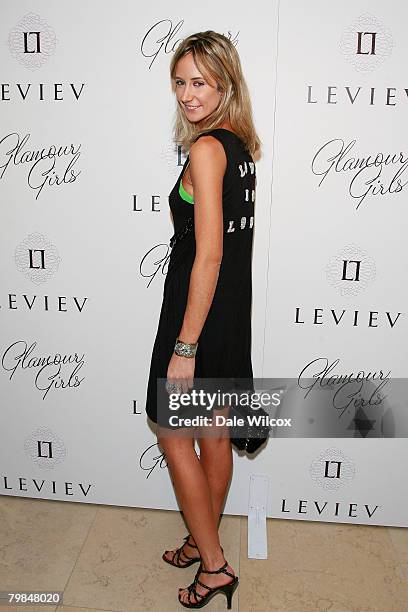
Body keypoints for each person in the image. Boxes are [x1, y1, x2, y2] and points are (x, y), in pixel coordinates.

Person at [145, 30, 261, 608]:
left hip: (198, 315)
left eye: (200, 82)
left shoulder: (206, 150)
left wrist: (185, 347)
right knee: (214, 435)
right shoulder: (239, 147)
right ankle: (203, 536)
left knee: (172, 432)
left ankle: (214, 566)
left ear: (225, 84)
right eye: (180, 81)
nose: (187, 94)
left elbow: (209, 254)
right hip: (227, 315)